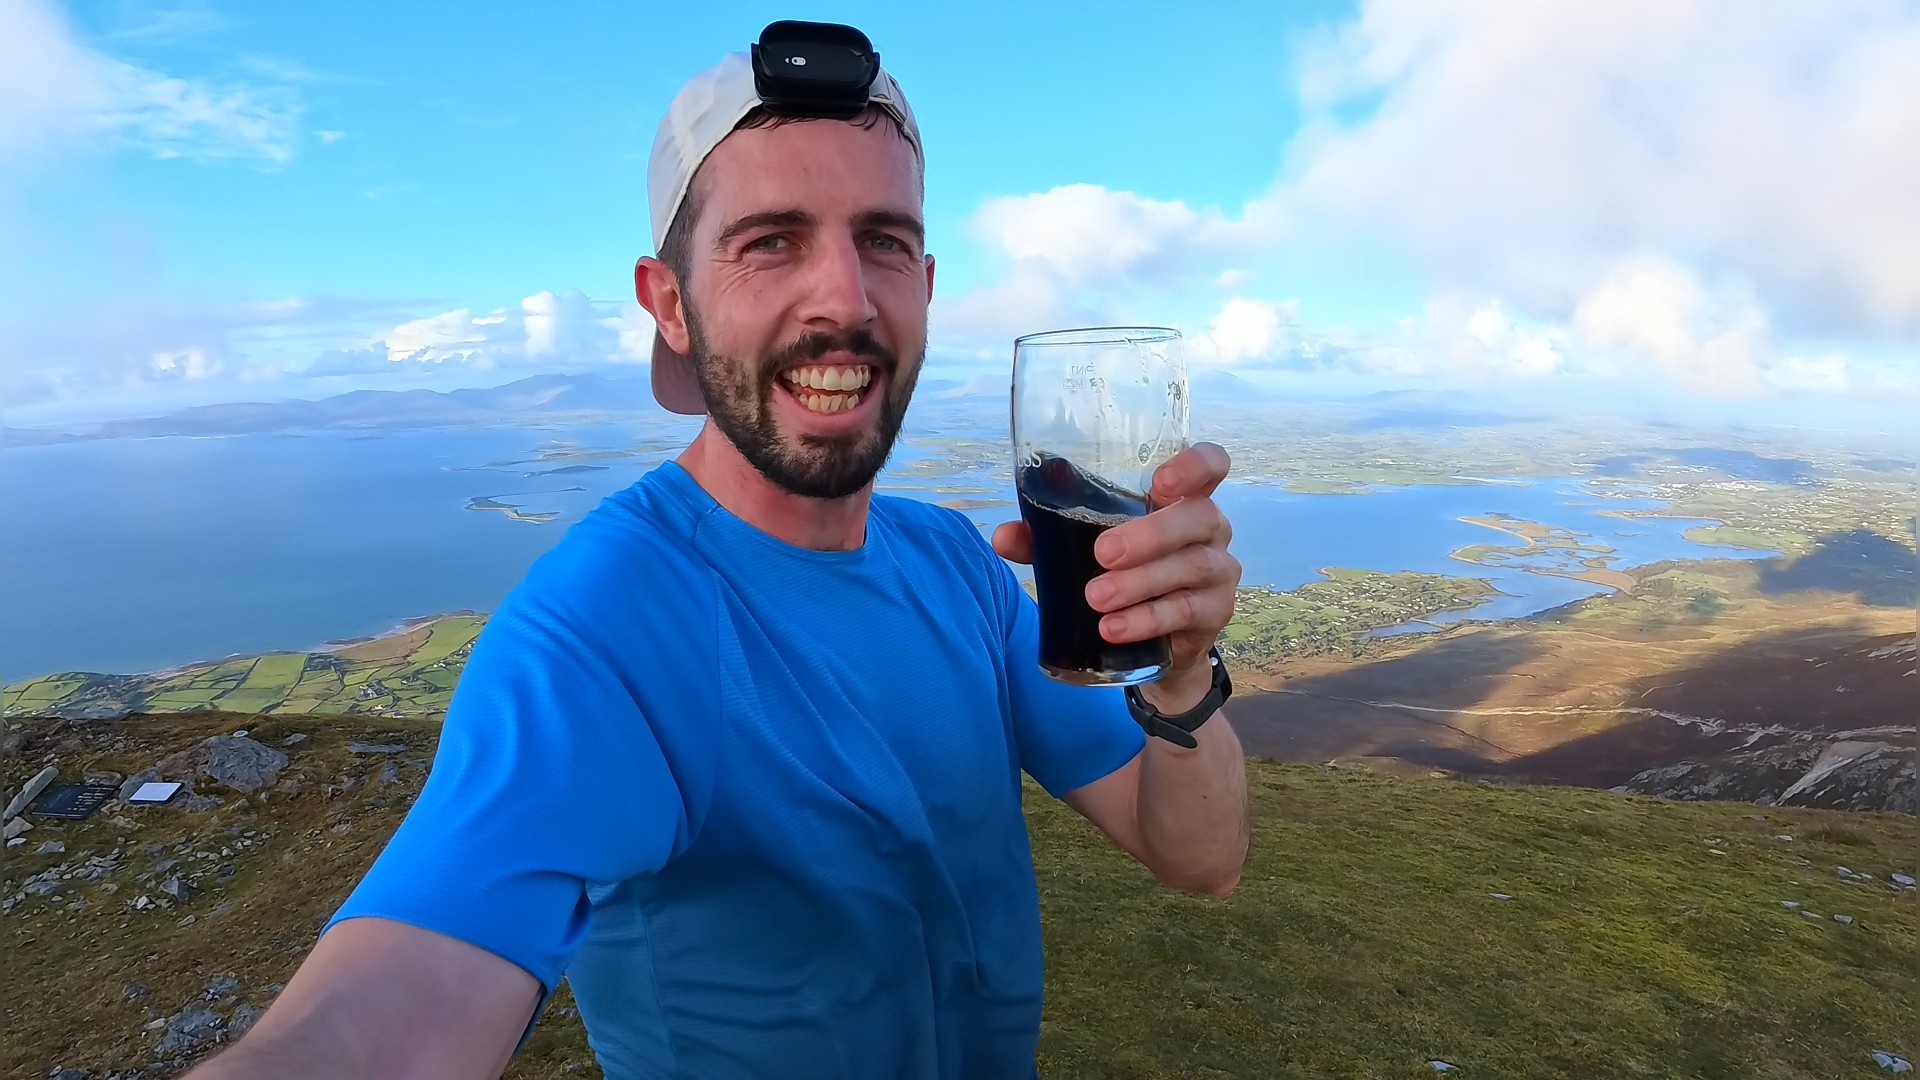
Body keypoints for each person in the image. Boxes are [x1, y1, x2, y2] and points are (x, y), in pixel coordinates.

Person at [188, 22, 1248, 1080]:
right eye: (771, 240)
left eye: (881, 240)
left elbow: (1197, 856)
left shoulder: (958, 570)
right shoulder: (602, 629)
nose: (844, 297)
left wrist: (1185, 672)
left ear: (924, 286)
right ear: (671, 305)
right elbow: (400, 1001)